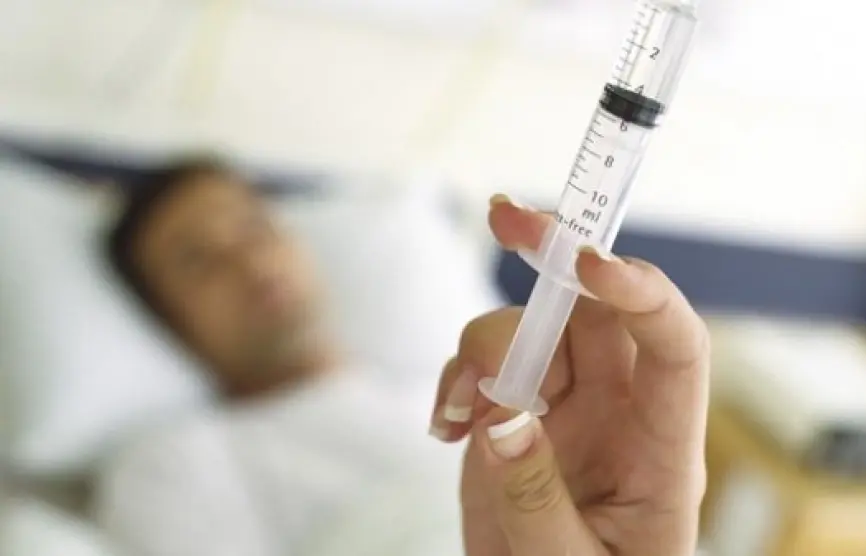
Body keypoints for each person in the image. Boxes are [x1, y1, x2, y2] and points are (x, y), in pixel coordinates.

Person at [97, 156, 710, 556]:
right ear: (167, 318)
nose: (249, 261)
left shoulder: (464, 394)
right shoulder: (174, 465)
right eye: (197, 259)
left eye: (255, 227)